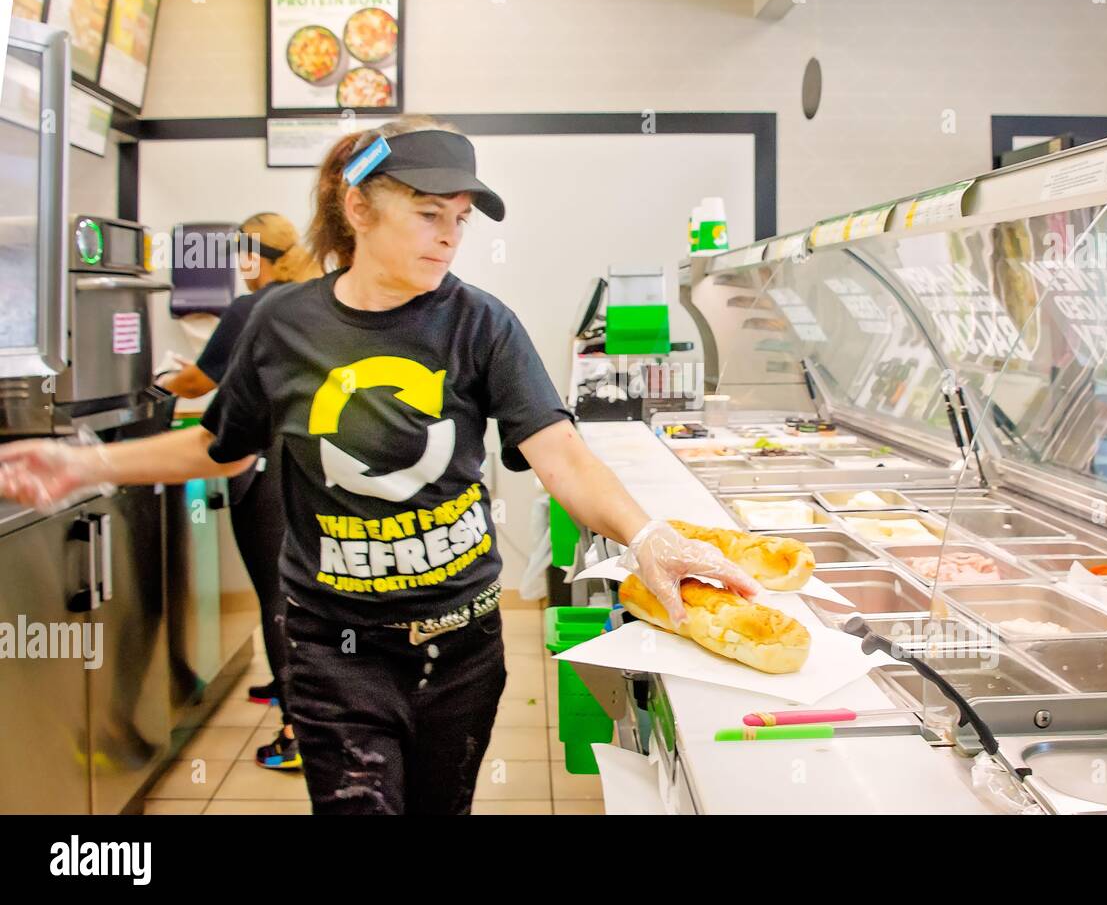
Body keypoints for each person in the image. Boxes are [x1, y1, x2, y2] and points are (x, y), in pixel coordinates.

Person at [0, 116, 759, 815]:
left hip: (461, 645)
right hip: (334, 649)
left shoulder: (481, 323)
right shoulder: (282, 324)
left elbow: (559, 451)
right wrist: (82, 464)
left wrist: (648, 532)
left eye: (459, 220)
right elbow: (216, 445)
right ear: (358, 209)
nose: (449, 238)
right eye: (429, 214)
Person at [158, 212, 322, 771]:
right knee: (289, 584)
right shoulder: (309, 296)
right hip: (303, 462)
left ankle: (296, 727)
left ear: (255, 257)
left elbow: (198, 382)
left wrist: (159, 379)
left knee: (276, 592)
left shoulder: (252, 308)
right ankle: (286, 686)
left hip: (262, 463)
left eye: (239, 257)